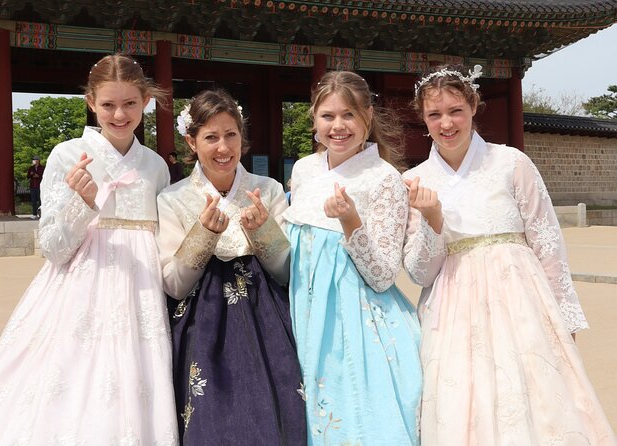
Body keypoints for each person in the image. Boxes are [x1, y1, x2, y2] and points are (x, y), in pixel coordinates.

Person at [0, 54, 179, 445]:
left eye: (129, 103)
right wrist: (83, 205)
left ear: (145, 100)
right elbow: (53, 248)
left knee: (139, 381)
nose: (120, 114)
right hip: (79, 290)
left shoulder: (157, 165)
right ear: (91, 102)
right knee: (74, 381)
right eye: (108, 104)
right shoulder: (66, 155)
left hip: (141, 293)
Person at [403, 64, 617, 445]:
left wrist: (564, 318)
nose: (446, 123)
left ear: (473, 107)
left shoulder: (511, 162)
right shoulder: (415, 180)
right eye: (434, 114)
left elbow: (547, 242)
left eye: (455, 110)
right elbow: (421, 271)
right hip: (453, 307)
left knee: (536, 395)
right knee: (464, 400)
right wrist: (434, 220)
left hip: (521, 298)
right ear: (423, 118)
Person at [157, 89, 306, 444]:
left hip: (266, 315)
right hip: (201, 321)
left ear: (242, 137)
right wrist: (204, 234)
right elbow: (174, 285)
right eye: (210, 137)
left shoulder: (267, 190)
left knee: (281, 409)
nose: (223, 148)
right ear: (191, 142)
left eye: (231, 135)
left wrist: (262, 231)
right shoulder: (173, 198)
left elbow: (286, 273)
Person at [283, 71, 423, 445]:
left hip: (355, 322)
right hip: (303, 314)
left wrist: (350, 221)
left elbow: (382, 276)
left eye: (349, 115)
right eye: (328, 116)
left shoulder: (384, 179)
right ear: (314, 119)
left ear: (368, 117)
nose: (338, 126)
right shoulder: (303, 170)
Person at [27, 154, 44, 218]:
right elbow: (28, 176)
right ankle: (34, 214)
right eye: (33, 160)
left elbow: (43, 176)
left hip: (39, 186)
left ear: (38, 161)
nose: (34, 161)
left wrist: (36, 175)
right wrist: (32, 174)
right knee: (33, 201)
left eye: (35, 160)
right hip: (32, 186)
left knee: (40, 200)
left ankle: (41, 214)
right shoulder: (31, 168)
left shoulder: (42, 168)